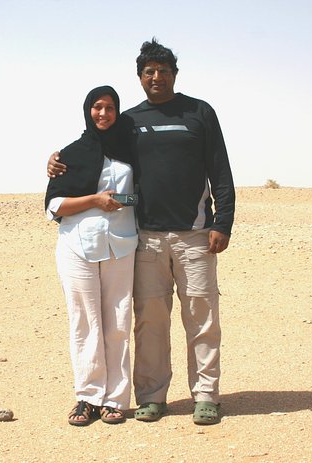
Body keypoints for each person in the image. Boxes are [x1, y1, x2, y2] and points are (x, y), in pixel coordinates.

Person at [48, 39, 235, 425]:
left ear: (174, 75)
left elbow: (220, 169)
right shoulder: (130, 121)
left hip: (196, 235)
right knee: (149, 321)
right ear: (140, 77)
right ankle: (151, 396)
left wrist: (223, 222)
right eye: (149, 71)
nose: (156, 77)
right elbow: (93, 146)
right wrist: (55, 161)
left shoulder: (199, 113)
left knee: (202, 317)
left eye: (163, 71)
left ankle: (205, 396)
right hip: (146, 238)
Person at [44, 85, 138, 426]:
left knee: (118, 321)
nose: (103, 114)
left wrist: (120, 201)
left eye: (110, 107)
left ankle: (115, 399)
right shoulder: (71, 153)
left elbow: (142, 194)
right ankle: (87, 396)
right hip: (77, 246)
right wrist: (95, 200)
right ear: (88, 110)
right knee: (85, 322)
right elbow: (54, 205)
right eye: (97, 107)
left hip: (122, 244)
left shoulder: (133, 150)